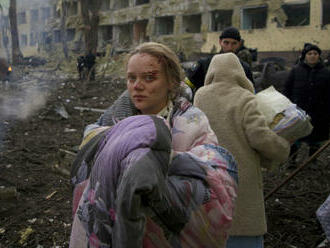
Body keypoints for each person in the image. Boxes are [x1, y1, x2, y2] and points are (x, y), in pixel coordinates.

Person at [70, 42, 238, 248]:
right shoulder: (110, 123)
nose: (137, 86)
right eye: (132, 78)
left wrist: (152, 162)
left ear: (171, 82)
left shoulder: (192, 124)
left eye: (149, 78)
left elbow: (212, 181)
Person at [194, 53, 290, 248]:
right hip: (240, 179)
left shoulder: (200, 96)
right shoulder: (245, 98)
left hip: (208, 173)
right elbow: (260, 137)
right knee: (242, 231)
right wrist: (283, 147)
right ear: (239, 74)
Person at [284, 43, 330, 160]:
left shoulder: (326, 73)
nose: (312, 56)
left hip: (319, 112)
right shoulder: (296, 71)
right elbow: (287, 89)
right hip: (299, 110)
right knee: (295, 136)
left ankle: (312, 160)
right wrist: (287, 105)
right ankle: (292, 160)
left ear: (319, 56)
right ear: (305, 56)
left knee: (316, 137)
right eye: (310, 54)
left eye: (315, 54)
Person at [185, 26, 254, 93]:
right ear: (220, 42)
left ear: (239, 44)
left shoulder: (244, 68)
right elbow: (187, 87)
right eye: (226, 43)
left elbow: (251, 92)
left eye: (234, 43)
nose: (229, 47)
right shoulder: (204, 64)